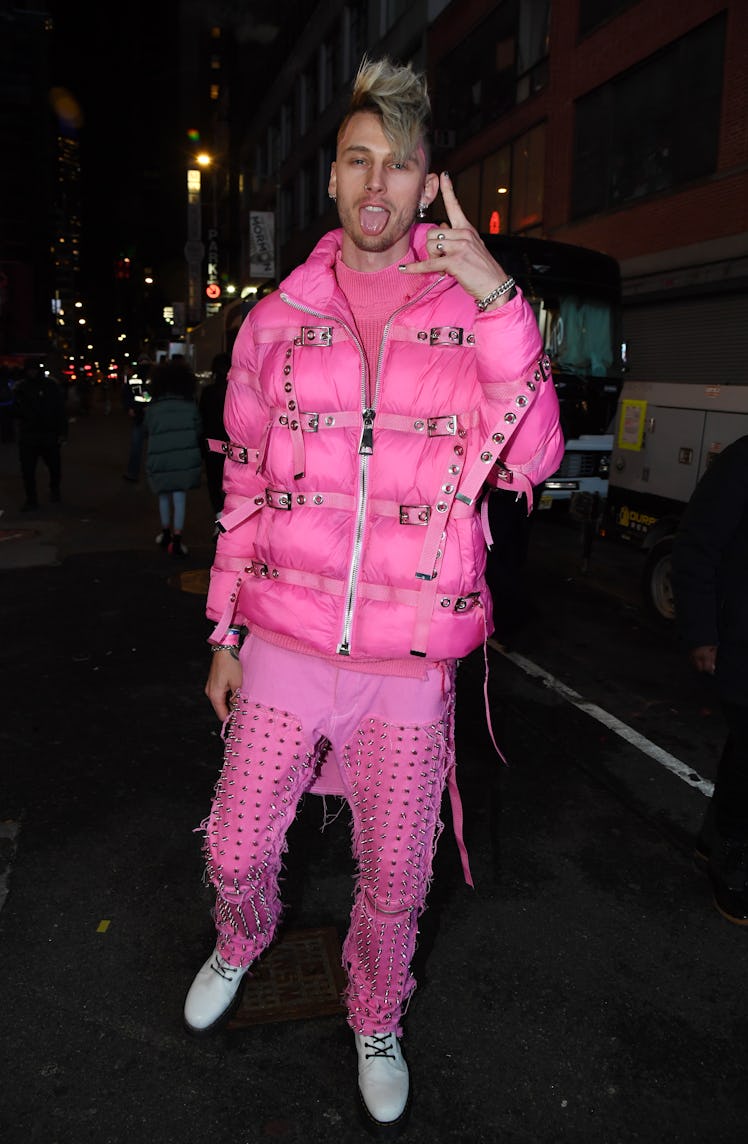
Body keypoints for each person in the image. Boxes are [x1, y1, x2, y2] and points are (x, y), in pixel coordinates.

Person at [183, 56, 563, 1133]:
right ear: (335, 182)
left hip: (408, 660)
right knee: (235, 846)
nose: (375, 181)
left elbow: (532, 455)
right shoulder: (279, 317)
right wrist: (222, 629)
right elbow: (245, 486)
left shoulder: (467, 312)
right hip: (287, 643)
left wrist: (496, 294)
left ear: (425, 179)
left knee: (397, 874)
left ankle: (375, 1011)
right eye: (357, 159)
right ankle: (242, 938)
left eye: (398, 162)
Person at [671, 435, 748, 927]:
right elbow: (696, 543)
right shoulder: (745, 458)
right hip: (741, 641)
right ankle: (735, 862)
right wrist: (701, 632)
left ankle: (711, 840)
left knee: (744, 748)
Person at [143, 358, 202, 557]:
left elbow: (146, 428)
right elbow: (198, 428)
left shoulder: (153, 407)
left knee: (163, 495)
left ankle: (165, 533)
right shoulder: (190, 405)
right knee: (179, 497)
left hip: (159, 457)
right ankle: (177, 539)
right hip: (183, 458)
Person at [11, 360, 68, 510]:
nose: (32, 373)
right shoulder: (21, 388)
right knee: (28, 470)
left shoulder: (50, 386)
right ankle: (31, 499)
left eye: (34, 370)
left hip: (47, 433)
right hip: (30, 434)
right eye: (30, 370)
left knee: (54, 467)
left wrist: (62, 432)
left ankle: (53, 490)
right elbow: (14, 409)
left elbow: (59, 410)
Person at [198, 351, 230, 519]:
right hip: (233, 446)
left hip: (212, 446)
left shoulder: (208, 392)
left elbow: (201, 419)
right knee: (232, 484)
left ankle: (219, 516)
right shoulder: (236, 391)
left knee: (214, 483)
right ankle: (230, 517)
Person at [121, 363, 150, 482]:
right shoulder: (153, 378)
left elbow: (127, 395)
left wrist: (130, 408)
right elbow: (147, 396)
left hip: (139, 417)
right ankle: (153, 473)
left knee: (136, 446)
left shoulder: (134, 379)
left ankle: (133, 472)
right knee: (153, 448)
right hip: (151, 417)